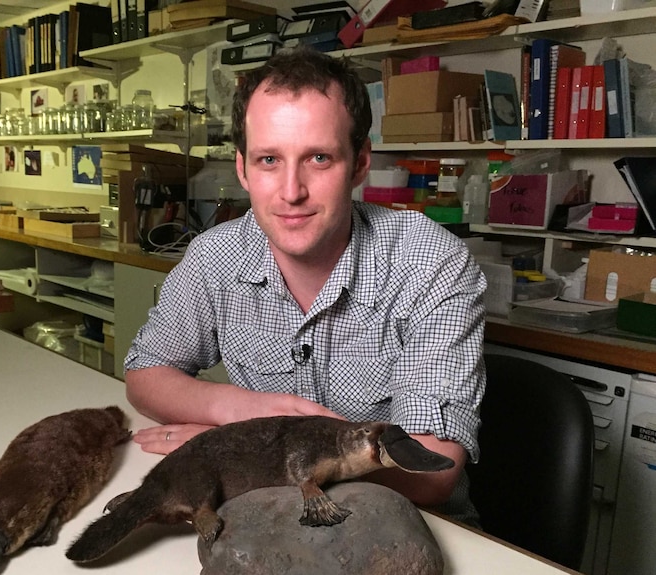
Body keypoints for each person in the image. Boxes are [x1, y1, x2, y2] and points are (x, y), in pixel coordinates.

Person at [123, 45, 487, 524]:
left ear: (359, 163)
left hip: (410, 524)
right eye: (269, 159)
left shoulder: (434, 264)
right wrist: (236, 412)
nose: (291, 191)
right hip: (274, 513)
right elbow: (145, 372)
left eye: (319, 157)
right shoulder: (214, 255)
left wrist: (233, 452)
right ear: (242, 169)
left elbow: (432, 470)